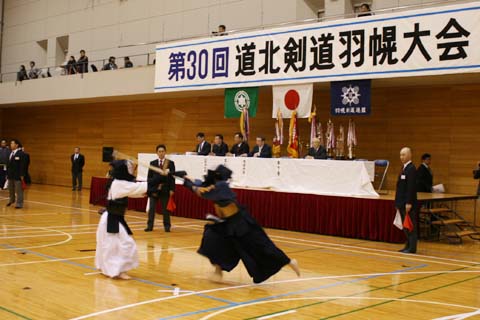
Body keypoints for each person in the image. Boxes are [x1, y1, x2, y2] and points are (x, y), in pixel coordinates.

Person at [183, 165, 300, 283]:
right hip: (228, 224)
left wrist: (188, 183)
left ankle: (289, 262)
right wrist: (185, 177)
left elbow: (201, 191)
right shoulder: (216, 185)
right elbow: (200, 184)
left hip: (242, 223)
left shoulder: (222, 187)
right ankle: (218, 271)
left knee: (262, 246)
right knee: (213, 239)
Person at [95, 159, 149, 279]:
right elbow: (138, 187)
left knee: (112, 245)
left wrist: (143, 193)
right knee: (124, 244)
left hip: (113, 218)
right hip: (112, 219)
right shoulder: (119, 183)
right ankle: (117, 270)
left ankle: (111, 268)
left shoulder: (118, 182)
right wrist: (158, 179)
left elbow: (132, 190)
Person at [145, 144, 175, 232]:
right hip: (154, 190)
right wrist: (150, 190)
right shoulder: (152, 163)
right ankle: (149, 226)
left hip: (165, 190)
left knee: (165, 210)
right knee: (152, 209)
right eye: (159, 151)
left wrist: (172, 189)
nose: (161, 153)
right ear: (156, 153)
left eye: (163, 151)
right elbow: (149, 178)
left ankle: (167, 226)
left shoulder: (170, 163)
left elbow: (172, 177)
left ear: (165, 152)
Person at [395, 147, 418, 254]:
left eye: (403, 155)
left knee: (410, 226)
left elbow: (411, 188)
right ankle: (407, 245)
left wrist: (409, 202)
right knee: (405, 226)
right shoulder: (403, 168)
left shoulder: (411, 169)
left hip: (408, 203)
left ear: (409, 155)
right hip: (401, 203)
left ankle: (412, 248)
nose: (401, 157)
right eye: (400, 155)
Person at [6, 139, 26, 209]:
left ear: (17, 145)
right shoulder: (10, 153)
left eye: (12, 143)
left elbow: (23, 165)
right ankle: (11, 200)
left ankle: (19, 204)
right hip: (10, 175)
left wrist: (22, 175)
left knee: (19, 190)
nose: (11, 145)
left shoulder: (21, 154)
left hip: (18, 176)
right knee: (10, 189)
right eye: (11, 143)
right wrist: (7, 174)